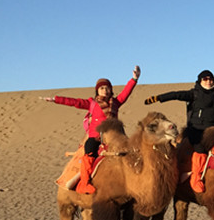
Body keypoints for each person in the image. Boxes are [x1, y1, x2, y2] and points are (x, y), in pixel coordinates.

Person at [144, 50, 214, 193]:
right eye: (205, 79)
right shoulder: (194, 94)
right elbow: (176, 94)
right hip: (198, 131)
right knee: (200, 151)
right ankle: (195, 178)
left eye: (211, 79)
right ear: (200, 81)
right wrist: (158, 98)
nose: (208, 81)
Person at [44, 65, 141, 193]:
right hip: (96, 136)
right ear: (97, 91)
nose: (105, 90)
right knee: (89, 152)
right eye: (102, 88)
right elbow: (74, 102)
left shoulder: (116, 102)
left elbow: (126, 92)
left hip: (114, 136)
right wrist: (55, 99)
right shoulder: (92, 103)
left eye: (107, 88)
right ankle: (84, 183)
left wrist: (134, 79)